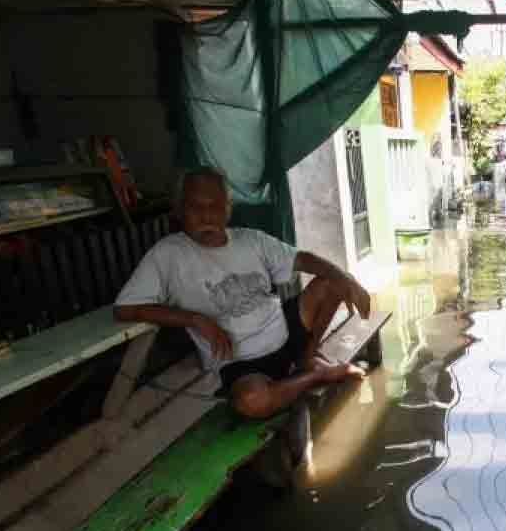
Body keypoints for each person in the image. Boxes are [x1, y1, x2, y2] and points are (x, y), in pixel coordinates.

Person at [114, 166, 371, 419]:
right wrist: (194, 319)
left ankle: (307, 357)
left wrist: (347, 278)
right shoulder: (167, 254)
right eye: (195, 207)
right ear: (180, 210)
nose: (206, 216)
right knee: (252, 402)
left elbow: (302, 259)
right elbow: (125, 308)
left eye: (214, 206)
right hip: (240, 362)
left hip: (284, 331)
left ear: (227, 209)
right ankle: (316, 375)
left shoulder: (250, 240)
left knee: (333, 282)